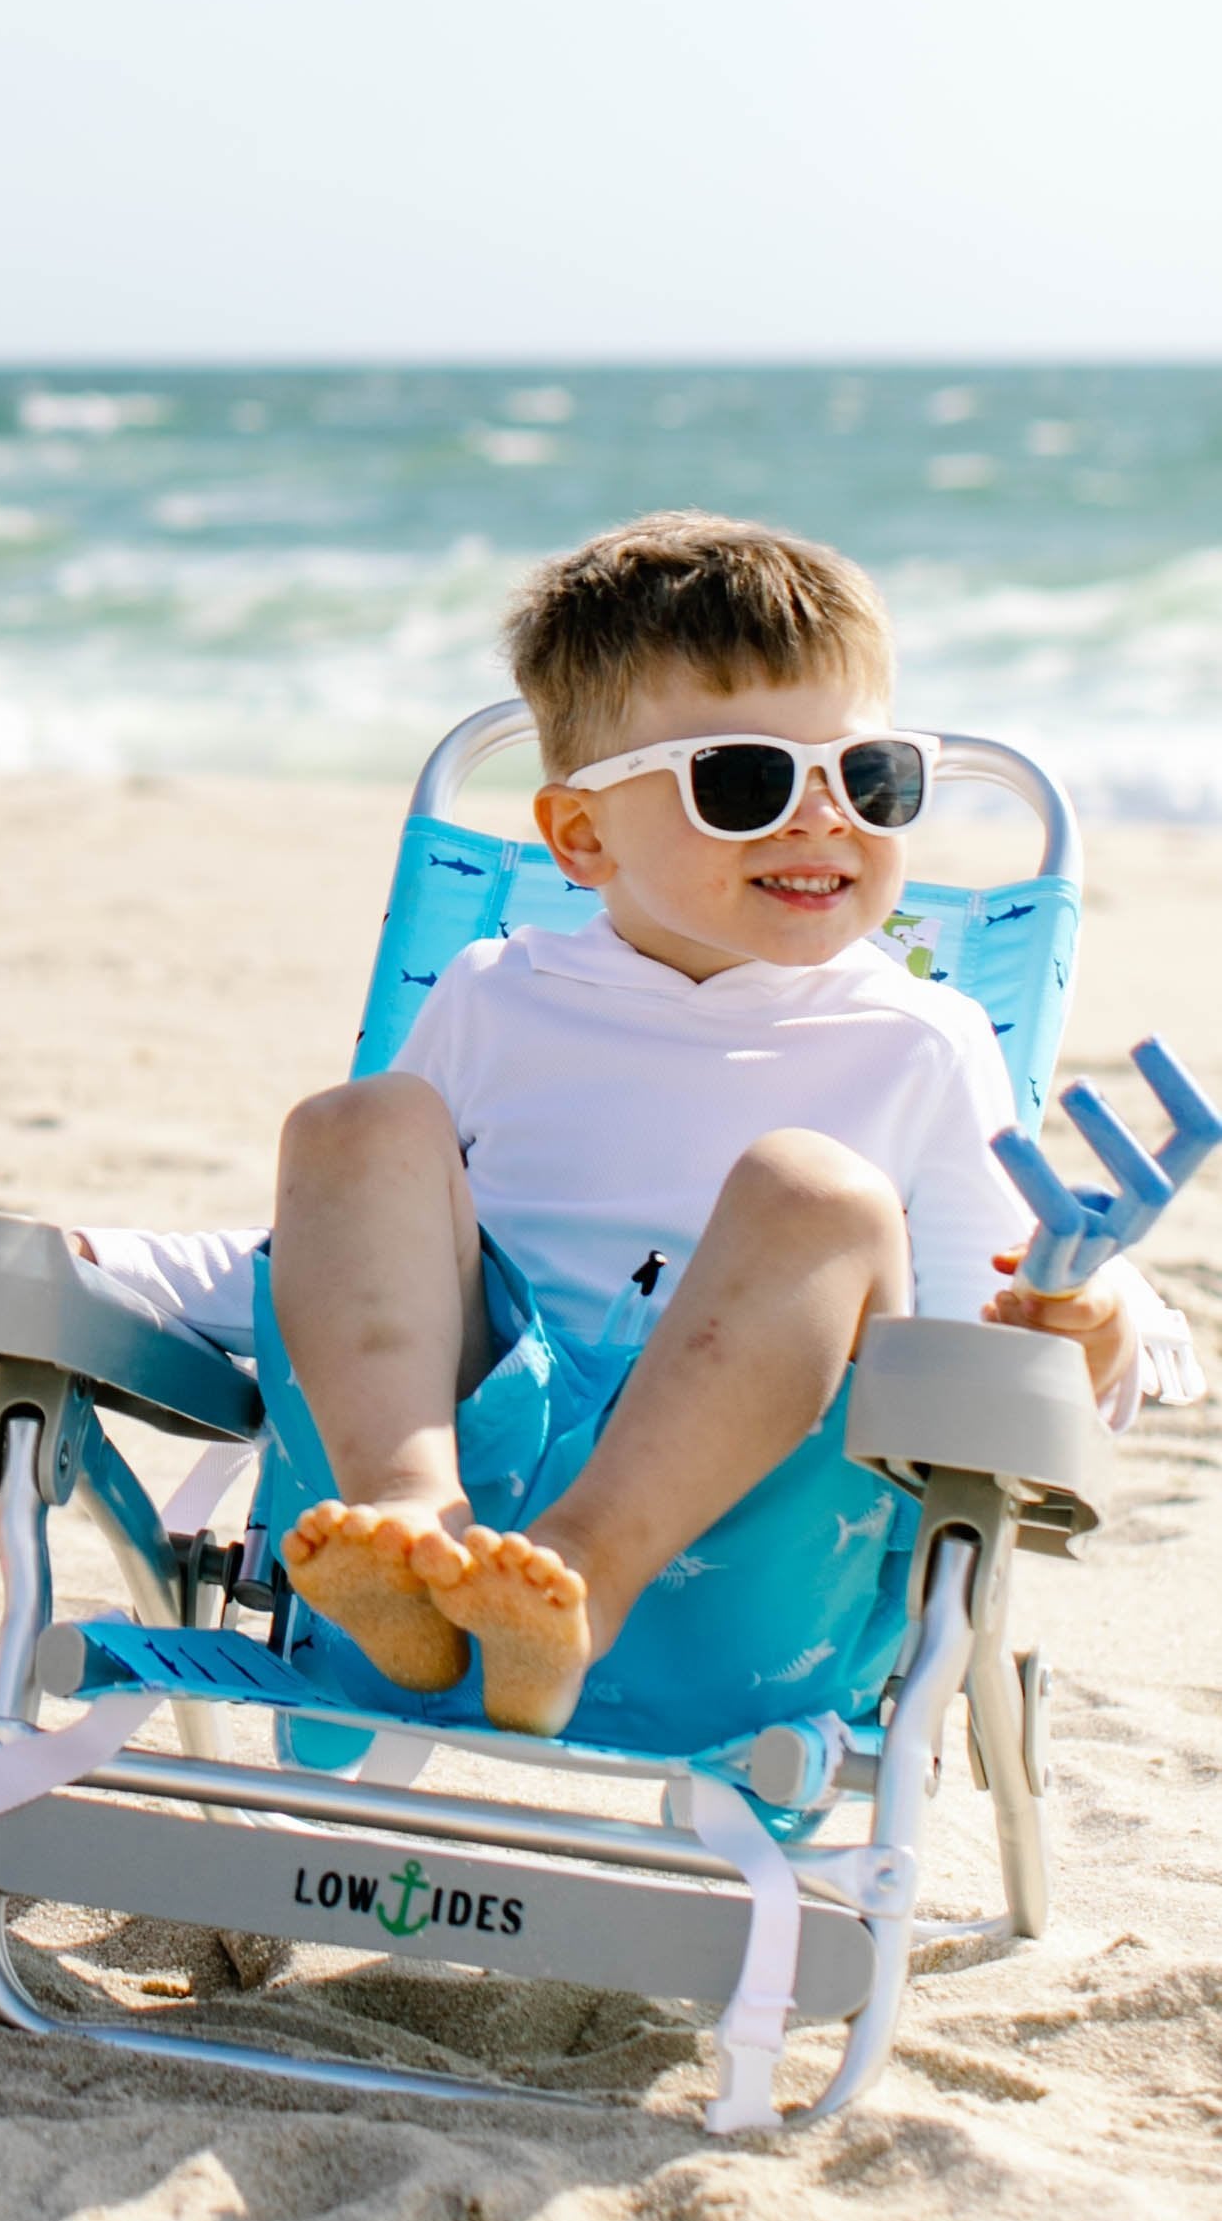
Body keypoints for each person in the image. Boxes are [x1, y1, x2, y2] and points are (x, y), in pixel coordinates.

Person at [81, 516, 1198, 1743]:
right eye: (741, 781)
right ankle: (407, 1526)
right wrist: (94, 1275)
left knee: (811, 1192)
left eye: (869, 775)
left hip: (752, 1572)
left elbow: (1001, 1343)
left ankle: (576, 1584)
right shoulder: (489, 995)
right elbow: (355, 1264)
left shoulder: (924, 1041)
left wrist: (1081, 1322)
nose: (822, 818)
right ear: (579, 836)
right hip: (447, 1538)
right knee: (358, 1125)